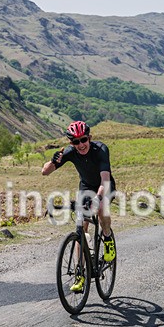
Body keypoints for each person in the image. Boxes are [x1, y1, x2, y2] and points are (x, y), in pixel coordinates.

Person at [42, 121, 116, 291]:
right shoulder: (69, 152)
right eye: (76, 142)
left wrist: (97, 198)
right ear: (71, 143)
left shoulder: (101, 150)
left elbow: (105, 180)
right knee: (80, 230)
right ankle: (80, 274)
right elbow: (45, 172)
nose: (81, 145)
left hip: (104, 186)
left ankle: (107, 237)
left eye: (83, 140)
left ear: (89, 138)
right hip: (85, 187)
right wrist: (52, 161)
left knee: (101, 206)